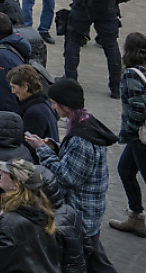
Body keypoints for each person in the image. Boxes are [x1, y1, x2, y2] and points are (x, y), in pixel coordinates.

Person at [28, 78, 119, 271]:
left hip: (83, 210)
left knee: (88, 258)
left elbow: (67, 178)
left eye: (54, 103)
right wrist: (54, 146)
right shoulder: (85, 122)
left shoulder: (81, 139)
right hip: (89, 207)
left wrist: (42, 150)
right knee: (94, 254)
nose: (52, 107)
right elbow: (76, 160)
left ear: (66, 106)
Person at [0, 159, 62, 273]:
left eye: (6, 172)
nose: (0, 172)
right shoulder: (40, 210)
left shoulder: (11, 221)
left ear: (16, 184)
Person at [109, 32, 146, 238]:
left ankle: (136, 217)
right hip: (138, 138)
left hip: (140, 137)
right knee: (125, 170)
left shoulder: (132, 74)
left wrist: (129, 130)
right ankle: (135, 216)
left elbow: (138, 109)